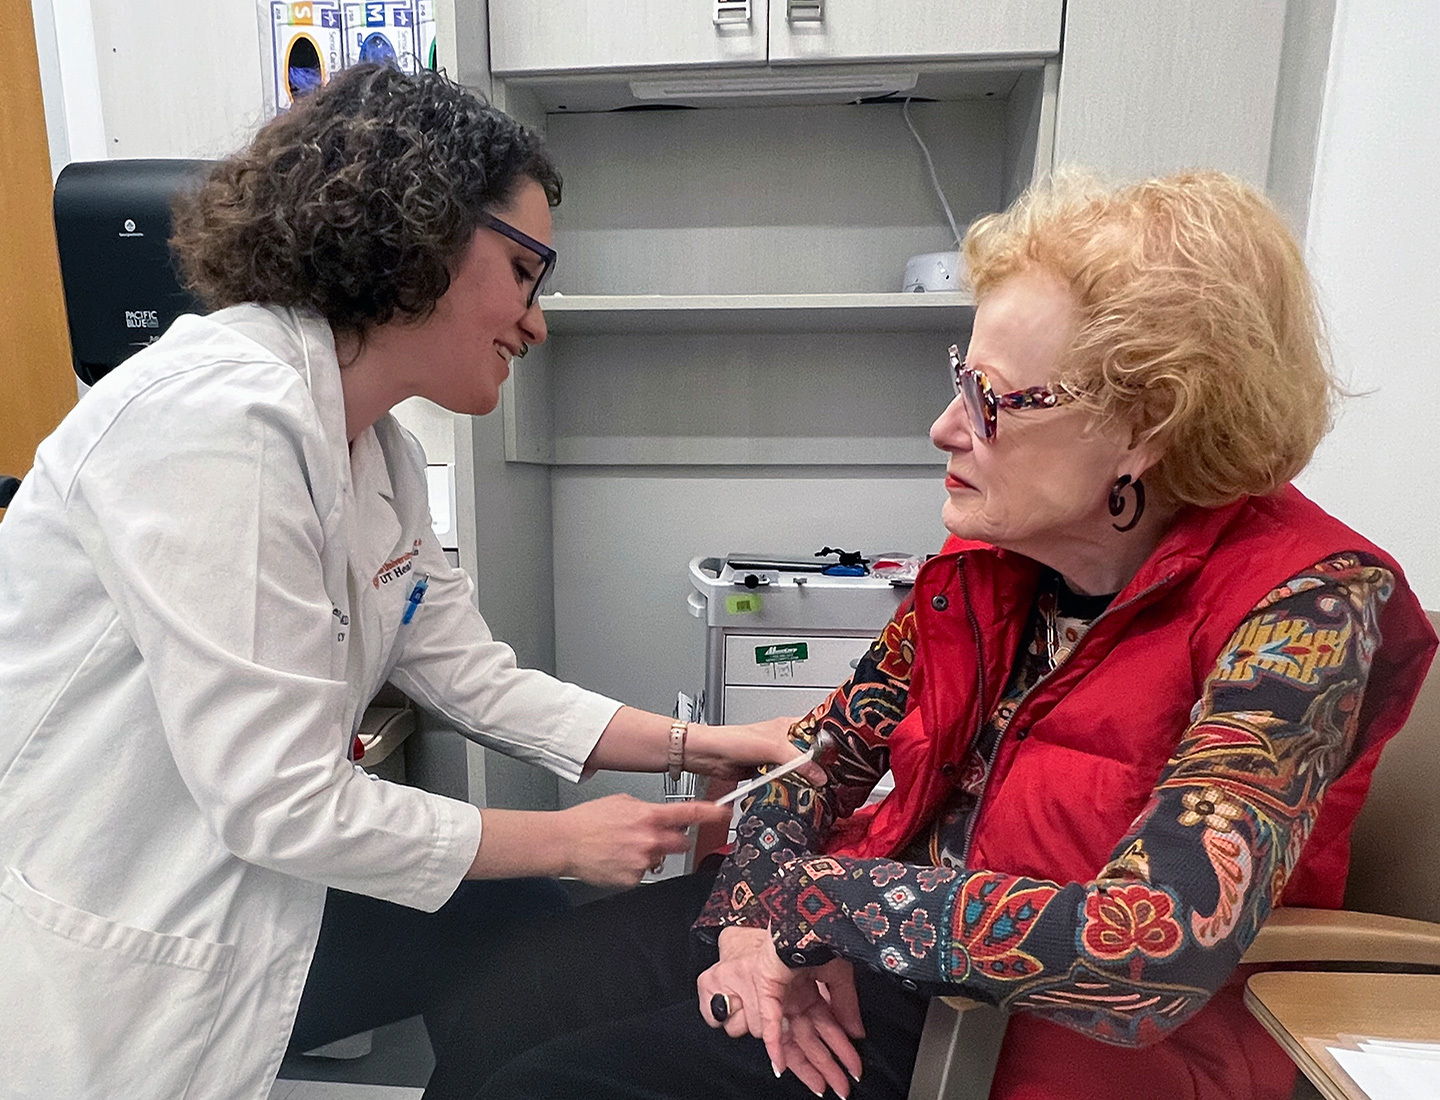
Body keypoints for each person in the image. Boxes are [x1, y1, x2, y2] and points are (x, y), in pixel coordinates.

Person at [423, 170, 1437, 1100]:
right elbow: (814, 761)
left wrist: (819, 908)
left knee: (551, 1086)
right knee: (502, 997)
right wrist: (749, 920)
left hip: (1036, 1031)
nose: (946, 428)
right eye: (964, 378)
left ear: (1148, 423)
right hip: (894, 947)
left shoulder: (1306, 606)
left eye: (990, 398)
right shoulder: (991, 566)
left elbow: (1152, 947)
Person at [0, 65, 804, 1100]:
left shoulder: (372, 447)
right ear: (419, 235)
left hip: (246, 878)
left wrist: (702, 742)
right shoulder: (217, 421)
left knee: (512, 931)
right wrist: (565, 837)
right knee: (517, 912)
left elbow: (471, 675)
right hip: (131, 915)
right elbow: (279, 803)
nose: (536, 319)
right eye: (525, 270)